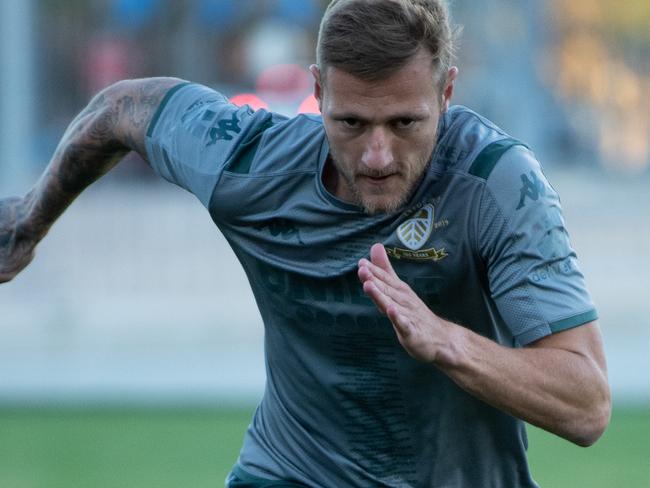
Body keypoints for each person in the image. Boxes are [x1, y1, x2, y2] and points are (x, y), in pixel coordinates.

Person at [0, 0, 610, 486]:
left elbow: (586, 406)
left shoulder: (496, 185)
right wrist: (30, 219)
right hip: (289, 473)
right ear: (317, 91)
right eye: (350, 122)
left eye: (405, 123)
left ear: (446, 93)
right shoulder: (246, 162)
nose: (376, 155)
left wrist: (446, 341)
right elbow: (122, 108)